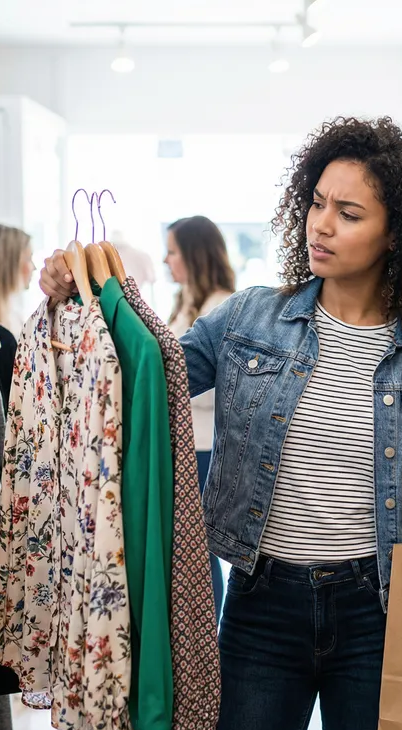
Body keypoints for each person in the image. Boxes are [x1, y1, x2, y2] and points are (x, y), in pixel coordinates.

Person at [38, 116, 402, 730]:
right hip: (261, 606)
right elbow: (144, 382)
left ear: (398, 234)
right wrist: (84, 298)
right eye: (316, 203)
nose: (321, 225)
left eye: (348, 212)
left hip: (378, 614)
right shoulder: (251, 318)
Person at [165, 215, 237, 618]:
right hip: (188, 442)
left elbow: (217, 387)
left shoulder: (222, 307)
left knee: (200, 551)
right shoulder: (187, 302)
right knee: (190, 552)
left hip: (205, 445)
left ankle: (207, 632)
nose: (165, 260)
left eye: (173, 251)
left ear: (194, 254)